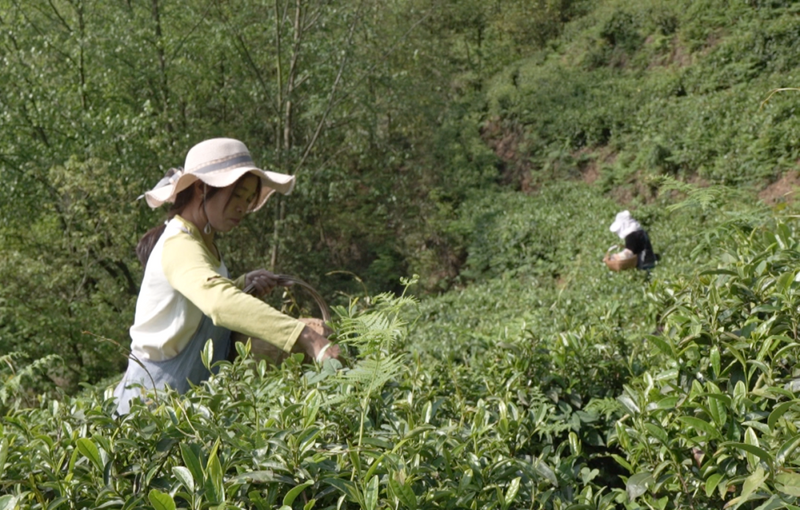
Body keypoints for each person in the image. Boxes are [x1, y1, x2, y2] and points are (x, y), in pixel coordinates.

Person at [113, 137, 339, 415]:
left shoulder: (202, 243)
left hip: (187, 408)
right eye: (237, 196)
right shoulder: (179, 245)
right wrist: (307, 337)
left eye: (248, 199)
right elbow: (218, 304)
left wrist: (242, 284)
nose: (243, 208)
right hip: (149, 410)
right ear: (201, 188)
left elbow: (194, 308)